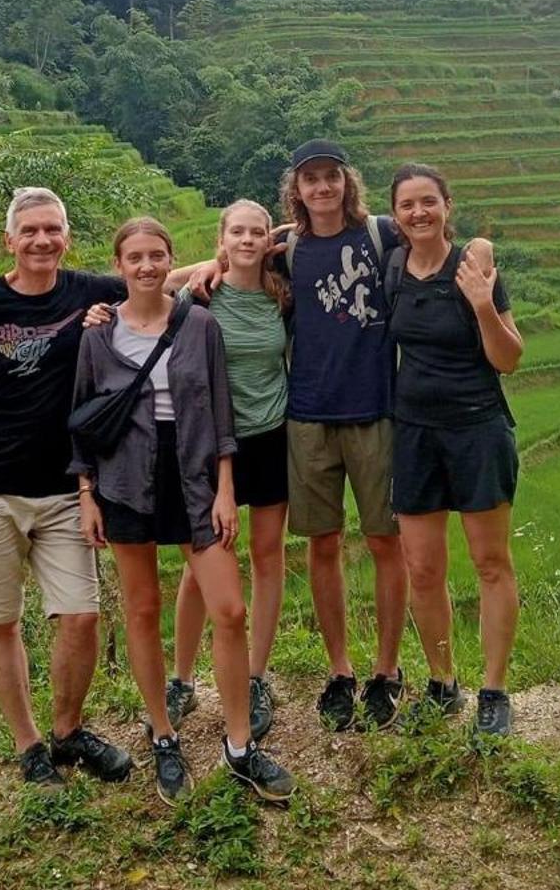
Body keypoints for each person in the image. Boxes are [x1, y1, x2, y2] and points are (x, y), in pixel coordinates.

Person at [0, 188, 207, 791]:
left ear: (67, 237)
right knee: (0, 619)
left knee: (82, 616)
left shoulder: (87, 291)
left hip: (64, 488)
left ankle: (68, 731)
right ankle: (28, 744)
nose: (42, 240)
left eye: (52, 230)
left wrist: (221, 260)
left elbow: (155, 277)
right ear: (9, 239)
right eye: (30, 231)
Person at [186, 139, 491, 731]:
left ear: (346, 183)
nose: (322, 188)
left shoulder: (382, 234)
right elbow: (233, 258)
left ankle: (385, 670)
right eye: (310, 180)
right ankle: (340, 670)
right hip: (307, 417)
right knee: (322, 546)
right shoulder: (287, 248)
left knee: (385, 543)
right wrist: (207, 265)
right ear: (295, 190)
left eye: (331, 177)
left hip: (377, 412)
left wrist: (480, 248)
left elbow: (455, 243)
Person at [72, 218, 296, 804]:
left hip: (193, 477)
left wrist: (225, 488)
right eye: (135, 258)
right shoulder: (97, 334)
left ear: (172, 260)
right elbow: (83, 421)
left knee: (229, 609)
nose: (146, 266)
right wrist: (87, 495)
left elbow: (222, 413)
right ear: (119, 266)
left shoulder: (198, 323)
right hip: (124, 482)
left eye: (156, 256)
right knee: (142, 611)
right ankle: (164, 738)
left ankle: (240, 745)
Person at [384, 163, 524, 737]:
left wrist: (483, 304)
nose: (418, 213)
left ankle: (494, 691)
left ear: (447, 205)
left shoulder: (474, 265)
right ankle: (443, 684)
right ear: (394, 215)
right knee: (421, 568)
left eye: (428, 202)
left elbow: (509, 358)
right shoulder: (393, 267)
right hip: (414, 434)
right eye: (407, 205)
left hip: (477, 429)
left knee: (490, 562)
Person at [164, 200, 292, 741]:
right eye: (236, 231)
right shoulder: (198, 293)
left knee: (267, 555)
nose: (247, 240)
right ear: (221, 238)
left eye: (256, 232)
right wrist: (196, 267)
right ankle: (182, 678)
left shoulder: (279, 294)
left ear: (268, 240)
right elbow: (143, 281)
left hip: (271, 435)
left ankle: (256, 674)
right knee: (202, 564)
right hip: (211, 442)